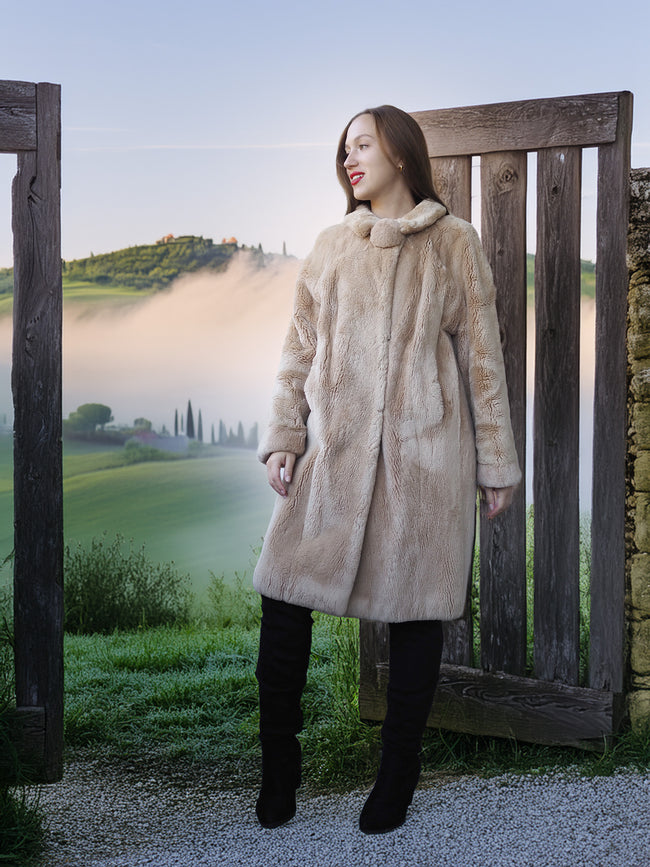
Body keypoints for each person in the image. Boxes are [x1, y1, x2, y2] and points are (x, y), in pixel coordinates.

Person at [252, 105, 521, 834]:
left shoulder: (454, 244)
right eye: (343, 150)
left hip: (424, 458)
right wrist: (285, 434)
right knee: (282, 598)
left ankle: (396, 777)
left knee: (415, 615)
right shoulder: (331, 245)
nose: (349, 159)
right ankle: (280, 765)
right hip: (332, 454)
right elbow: (298, 347)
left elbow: (484, 359)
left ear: (401, 152)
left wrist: (496, 462)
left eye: (362, 144)